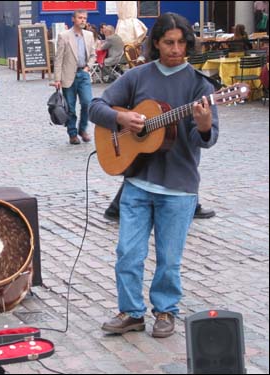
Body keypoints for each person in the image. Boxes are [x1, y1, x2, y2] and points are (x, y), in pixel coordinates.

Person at [89, 12, 219, 338]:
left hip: (179, 186)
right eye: (168, 42)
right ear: (156, 44)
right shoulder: (138, 77)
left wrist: (203, 125)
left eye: (180, 42)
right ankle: (131, 312)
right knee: (128, 253)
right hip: (137, 182)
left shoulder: (200, 85)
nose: (175, 49)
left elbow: (208, 137)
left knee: (169, 259)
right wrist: (122, 121)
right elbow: (96, 106)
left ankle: (165, 311)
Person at [53, 9, 96, 145]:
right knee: (70, 107)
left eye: (84, 18)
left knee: (87, 103)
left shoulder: (89, 35)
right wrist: (57, 79)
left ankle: (82, 129)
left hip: (83, 74)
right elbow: (58, 59)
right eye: (80, 17)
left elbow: (93, 54)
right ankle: (72, 133)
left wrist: (87, 67)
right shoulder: (64, 36)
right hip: (68, 75)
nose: (83, 20)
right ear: (73, 19)